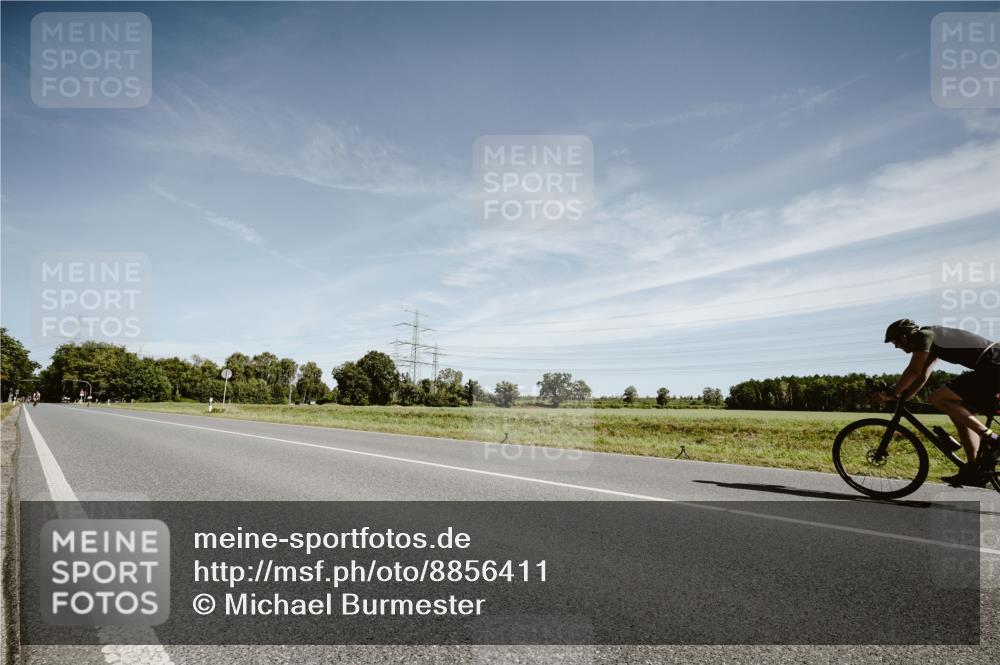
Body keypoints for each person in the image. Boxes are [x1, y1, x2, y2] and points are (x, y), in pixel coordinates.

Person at [878, 319, 1000, 487]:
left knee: (937, 398)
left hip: (992, 365)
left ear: (905, 336)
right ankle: (974, 470)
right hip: (990, 366)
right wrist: (904, 397)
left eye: (895, 341)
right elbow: (921, 376)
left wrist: (893, 392)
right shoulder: (931, 341)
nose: (896, 346)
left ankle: (992, 437)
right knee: (959, 413)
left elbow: (913, 371)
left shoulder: (924, 335)